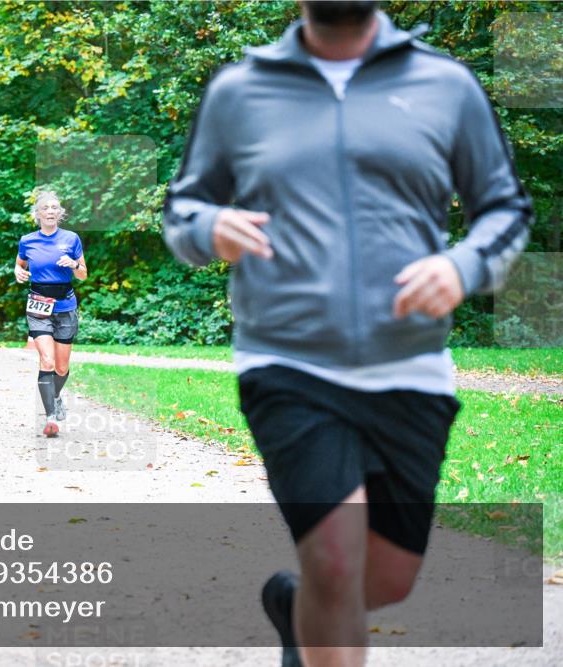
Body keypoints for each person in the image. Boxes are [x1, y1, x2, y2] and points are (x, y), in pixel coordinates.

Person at [163, 2, 531, 666]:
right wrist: (207, 229)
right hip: (287, 359)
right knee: (336, 557)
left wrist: (464, 263)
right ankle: (319, 597)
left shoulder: (445, 85)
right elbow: (182, 209)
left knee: (384, 581)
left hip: (409, 363)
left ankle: (296, 607)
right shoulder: (240, 90)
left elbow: (504, 208)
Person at [15, 191, 88, 437]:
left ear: (59, 213)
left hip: (65, 307)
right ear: (38, 214)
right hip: (38, 306)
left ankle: (56, 396)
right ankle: (50, 418)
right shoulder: (27, 241)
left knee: (61, 366)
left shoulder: (71, 239)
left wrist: (74, 265)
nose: (50, 211)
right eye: (45, 208)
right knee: (46, 360)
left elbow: (84, 274)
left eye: (54, 207)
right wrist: (18, 272)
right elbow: (20, 264)